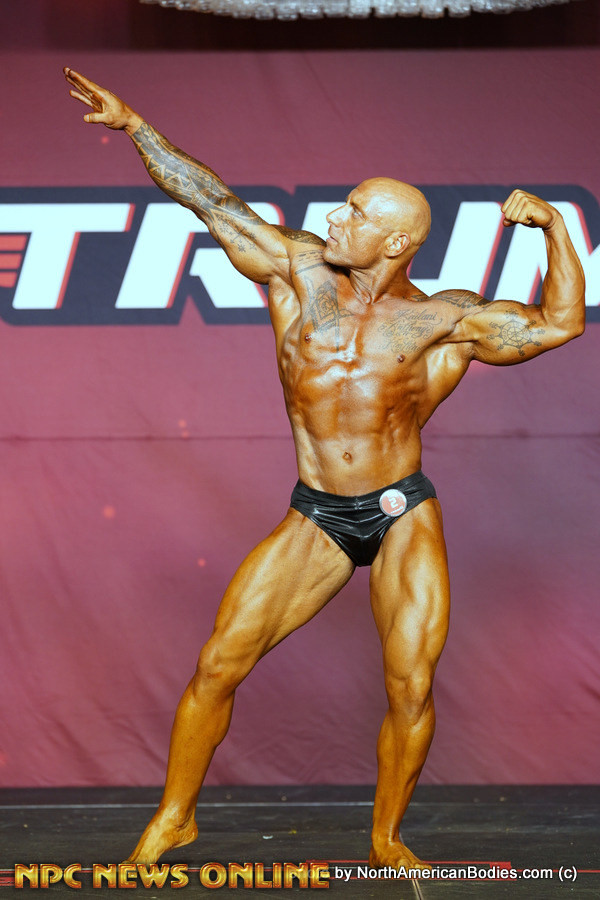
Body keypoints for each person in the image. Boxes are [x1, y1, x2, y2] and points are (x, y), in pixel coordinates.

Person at [64, 67, 586, 870]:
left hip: (401, 512)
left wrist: (551, 225)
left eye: (357, 213)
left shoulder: (442, 319)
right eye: (344, 204)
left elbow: (559, 323)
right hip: (318, 514)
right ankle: (175, 817)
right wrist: (137, 128)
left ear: (397, 242)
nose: (335, 218)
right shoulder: (297, 271)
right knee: (218, 664)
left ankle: (386, 839)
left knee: (410, 687)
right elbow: (211, 202)